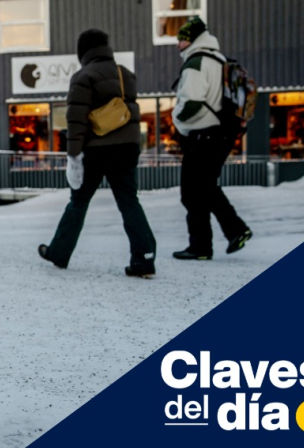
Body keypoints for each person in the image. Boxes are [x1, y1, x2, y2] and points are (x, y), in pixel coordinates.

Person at [38, 29, 157, 278]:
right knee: (129, 201)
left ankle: (59, 252)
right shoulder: (126, 75)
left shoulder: (84, 76)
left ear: (83, 51)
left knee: (78, 202)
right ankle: (144, 257)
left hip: (96, 150)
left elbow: (76, 120)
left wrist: (73, 156)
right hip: (126, 148)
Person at [171, 17, 252, 260]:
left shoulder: (196, 63)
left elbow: (192, 102)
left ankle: (209, 242)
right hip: (222, 133)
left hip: (203, 135)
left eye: (183, 39)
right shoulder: (219, 60)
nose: (179, 44)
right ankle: (215, 240)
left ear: (194, 39)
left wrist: (177, 121)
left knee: (192, 190)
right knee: (204, 187)